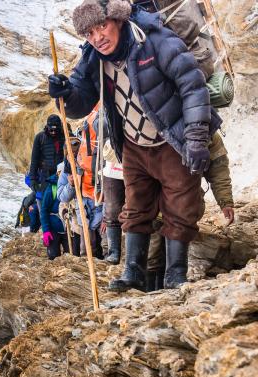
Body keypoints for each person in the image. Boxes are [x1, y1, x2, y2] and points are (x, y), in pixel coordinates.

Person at [48, 0, 222, 291]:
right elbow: (79, 103)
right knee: (136, 206)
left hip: (171, 139)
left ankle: (175, 274)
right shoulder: (92, 57)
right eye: (89, 33)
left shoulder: (154, 40)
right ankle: (133, 271)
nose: (97, 37)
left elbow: (192, 86)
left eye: (101, 26)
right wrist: (64, 95)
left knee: (181, 205)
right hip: (133, 146)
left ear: (117, 19)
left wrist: (194, 138)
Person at [147, 133, 235, 290]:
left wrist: (225, 201)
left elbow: (218, 169)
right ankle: (150, 292)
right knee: (152, 253)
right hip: (152, 204)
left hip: (185, 204)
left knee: (177, 238)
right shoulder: (149, 128)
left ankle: (172, 285)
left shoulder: (208, 133)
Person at [58, 109, 104, 259]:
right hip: (83, 212)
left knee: (105, 246)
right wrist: (71, 185)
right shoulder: (66, 169)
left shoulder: (97, 162)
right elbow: (62, 197)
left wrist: (108, 215)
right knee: (86, 250)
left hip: (101, 209)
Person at [28, 114, 66, 202]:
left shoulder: (65, 137)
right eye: (51, 130)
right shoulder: (39, 138)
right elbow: (34, 160)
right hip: (45, 175)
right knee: (45, 200)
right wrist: (33, 179)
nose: (53, 132)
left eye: (55, 130)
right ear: (47, 127)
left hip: (60, 174)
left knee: (59, 200)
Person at [39, 173, 69, 260]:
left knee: (71, 256)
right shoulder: (51, 189)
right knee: (53, 257)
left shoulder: (74, 185)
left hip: (69, 229)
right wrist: (46, 230)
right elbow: (44, 211)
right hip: (53, 229)